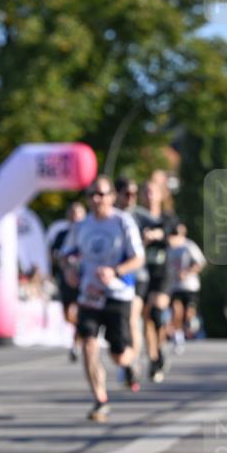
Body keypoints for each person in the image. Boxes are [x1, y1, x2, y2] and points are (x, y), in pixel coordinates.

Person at [61, 176, 144, 421]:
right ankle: (100, 399)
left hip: (118, 293)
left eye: (101, 194)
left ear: (111, 197)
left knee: (119, 355)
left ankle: (130, 364)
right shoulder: (82, 226)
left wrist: (115, 272)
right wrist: (69, 271)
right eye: (92, 195)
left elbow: (138, 259)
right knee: (88, 344)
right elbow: (65, 255)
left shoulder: (123, 222)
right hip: (89, 294)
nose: (96, 199)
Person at [138, 177, 178, 383]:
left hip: (164, 271)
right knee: (146, 316)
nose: (148, 194)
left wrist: (159, 235)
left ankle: (161, 347)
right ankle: (153, 357)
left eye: (152, 191)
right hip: (144, 271)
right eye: (145, 191)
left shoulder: (167, 216)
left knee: (157, 310)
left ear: (161, 194)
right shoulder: (136, 217)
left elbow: (176, 234)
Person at [114, 176, 148, 389]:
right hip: (113, 279)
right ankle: (126, 357)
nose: (132, 198)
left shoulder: (140, 216)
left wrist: (157, 233)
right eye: (127, 194)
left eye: (135, 194)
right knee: (121, 323)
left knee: (133, 318)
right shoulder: (109, 217)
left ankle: (132, 364)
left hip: (138, 275)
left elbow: (169, 224)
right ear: (116, 195)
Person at [48, 201, 85, 362]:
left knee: (81, 311)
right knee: (67, 314)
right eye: (72, 213)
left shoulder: (88, 232)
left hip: (84, 279)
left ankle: (76, 343)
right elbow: (54, 255)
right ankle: (79, 330)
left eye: (78, 214)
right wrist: (62, 264)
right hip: (65, 279)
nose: (75, 217)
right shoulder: (62, 235)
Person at [167, 223, 206, 353]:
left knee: (188, 313)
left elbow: (200, 263)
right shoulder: (169, 247)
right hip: (174, 286)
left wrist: (187, 272)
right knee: (176, 312)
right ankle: (178, 338)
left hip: (190, 286)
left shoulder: (189, 246)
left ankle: (193, 325)